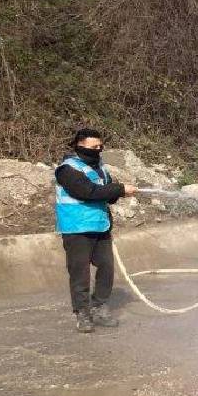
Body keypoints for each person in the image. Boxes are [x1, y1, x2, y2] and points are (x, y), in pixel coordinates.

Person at [55, 128, 136, 333]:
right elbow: (86, 192)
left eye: (100, 146)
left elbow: (106, 193)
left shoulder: (100, 167)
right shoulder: (67, 170)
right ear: (79, 146)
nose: (98, 150)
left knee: (106, 267)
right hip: (77, 228)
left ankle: (99, 306)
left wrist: (119, 192)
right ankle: (82, 313)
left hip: (100, 226)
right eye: (94, 147)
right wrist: (119, 189)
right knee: (80, 273)